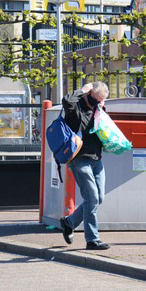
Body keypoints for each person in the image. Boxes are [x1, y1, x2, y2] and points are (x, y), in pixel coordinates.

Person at [59, 81, 110, 250]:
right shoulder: (75, 108)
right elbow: (66, 101)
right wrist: (83, 90)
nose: (97, 103)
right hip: (79, 160)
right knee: (92, 198)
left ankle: (69, 222)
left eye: (100, 101)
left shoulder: (98, 110)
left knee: (98, 198)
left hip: (96, 159)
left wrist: (101, 108)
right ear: (88, 94)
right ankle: (92, 239)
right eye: (95, 99)